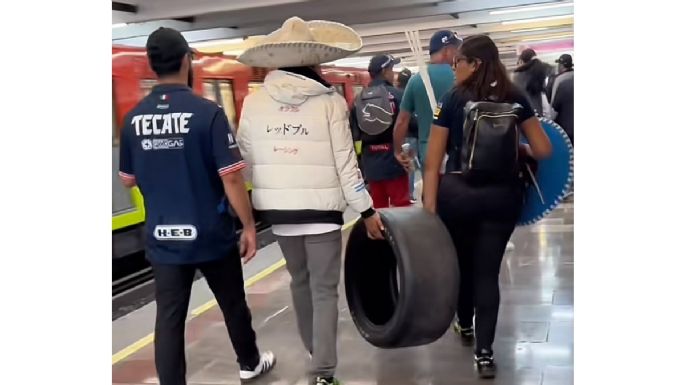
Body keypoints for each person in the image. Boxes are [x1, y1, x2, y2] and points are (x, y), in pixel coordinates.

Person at [117, 27, 275, 385]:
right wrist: (248, 226)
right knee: (232, 303)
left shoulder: (134, 119)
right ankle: (249, 363)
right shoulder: (209, 114)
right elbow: (232, 177)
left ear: (152, 65)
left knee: (169, 319)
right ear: (187, 60)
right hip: (210, 232)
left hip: (163, 235)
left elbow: (128, 178)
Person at [235, 17, 385, 385]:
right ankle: (323, 371)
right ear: (314, 62)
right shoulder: (330, 103)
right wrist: (366, 210)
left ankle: (313, 351)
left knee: (299, 282)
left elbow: (246, 164)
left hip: (281, 215)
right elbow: (347, 166)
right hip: (322, 214)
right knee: (323, 290)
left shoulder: (253, 104)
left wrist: (261, 200)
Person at [422, 35, 552, 379]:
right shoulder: (515, 96)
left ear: (475, 63)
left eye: (458, 62)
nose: (453, 70)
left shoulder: (451, 99)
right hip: (502, 198)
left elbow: (432, 161)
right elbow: (543, 149)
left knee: (463, 265)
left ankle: (464, 323)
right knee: (487, 273)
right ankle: (484, 354)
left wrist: (430, 208)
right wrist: (518, 150)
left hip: (458, 196)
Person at [349, 54, 411, 208]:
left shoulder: (358, 100)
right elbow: (411, 124)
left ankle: (380, 232)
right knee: (401, 207)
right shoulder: (397, 94)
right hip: (394, 160)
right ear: (384, 71)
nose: (393, 73)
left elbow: (354, 134)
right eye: (391, 69)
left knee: (378, 208)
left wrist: (361, 162)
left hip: (371, 163)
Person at [393, 30, 462, 169]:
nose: (459, 54)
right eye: (457, 49)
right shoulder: (461, 76)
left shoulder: (416, 80)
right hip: (458, 153)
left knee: (431, 190)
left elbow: (401, 122)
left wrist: (397, 151)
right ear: (447, 50)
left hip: (429, 154)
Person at [396, 68, 420, 203]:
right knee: (409, 165)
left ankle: (402, 193)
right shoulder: (411, 95)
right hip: (410, 136)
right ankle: (409, 194)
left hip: (397, 136)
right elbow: (412, 119)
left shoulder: (392, 94)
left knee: (401, 165)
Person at [512, 48, 552, 116]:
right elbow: (545, 104)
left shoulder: (516, 77)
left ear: (521, 61)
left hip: (524, 118)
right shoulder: (540, 75)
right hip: (539, 116)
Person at [550, 54, 574, 145]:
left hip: (566, 128)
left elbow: (554, 105)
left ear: (561, 65)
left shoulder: (560, 80)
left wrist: (551, 122)